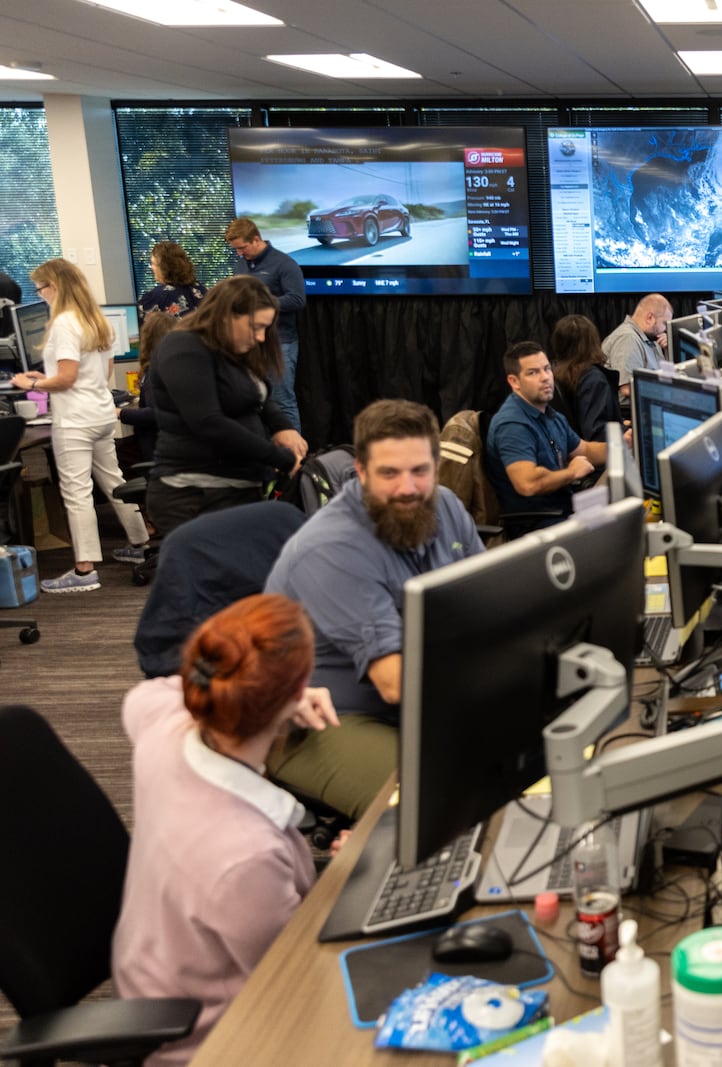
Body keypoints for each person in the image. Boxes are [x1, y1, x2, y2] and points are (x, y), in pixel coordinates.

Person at [113, 593, 343, 1066]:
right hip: (213, 1035)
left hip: (155, 972)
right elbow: (300, 982)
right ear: (299, 688)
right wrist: (350, 875)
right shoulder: (245, 856)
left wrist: (276, 701)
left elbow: (144, 695)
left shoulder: (164, 726)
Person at [265, 399, 483, 818]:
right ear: (361, 473)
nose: (407, 488)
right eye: (389, 473)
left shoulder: (447, 507)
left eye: (420, 470)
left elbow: (486, 604)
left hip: (424, 695)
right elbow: (396, 682)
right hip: (323, 718)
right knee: (436, 799)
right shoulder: (333, 548)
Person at [11, 258, 149, 592]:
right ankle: (141, 544)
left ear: (55, 286)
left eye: (41, 288)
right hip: (100, 414)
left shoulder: (64, 324)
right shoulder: (96, 320)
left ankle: (85, 570)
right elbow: (98, 372)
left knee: (76, 494)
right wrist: (51, 379)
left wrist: (31, 385)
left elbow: (69, 377)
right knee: (114, 480)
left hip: (75, 420)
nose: (40, 294)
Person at [144, 276, 308, 535]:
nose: (261, 337)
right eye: (255, 326)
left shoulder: (233, 350)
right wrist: (280, 459)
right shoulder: (183, 347)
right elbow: (208, 423)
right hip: (196, 495)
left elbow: (259, 397)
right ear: (226, 314)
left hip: (239, 490)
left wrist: (282, 426)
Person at [485, 341, 608, 533]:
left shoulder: (550, 415)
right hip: (539, 526)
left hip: (564, 511)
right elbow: (528, 483)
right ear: (514, 382)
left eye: (546, 369)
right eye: (533, 373)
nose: (545, 378)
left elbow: (584, 450)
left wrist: (624, 446)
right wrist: (571, 473)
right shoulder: (512, 425)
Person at [226, 217, 306, 432]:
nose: (240, 253)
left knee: (282, 401)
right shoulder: (240, 264)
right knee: (252, 400)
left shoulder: (284, 263)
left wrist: (260, 305)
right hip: (247, 345)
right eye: (236, 250)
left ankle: (294, 458)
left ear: (256, 239)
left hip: (280, 343)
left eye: (242, 248)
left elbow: (297, 300)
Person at [550, 313, 625, 442]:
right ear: (593, 341)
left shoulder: (556, 372)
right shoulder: (594, 380)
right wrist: (624, 430)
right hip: (601, 454)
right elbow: (597, 433)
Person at [118, 309, 178, 466]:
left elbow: (155, 414)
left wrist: (119, 412)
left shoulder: (155, 372)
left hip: (159, 455)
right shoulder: (179, 366)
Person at [601, 293, 672, 399]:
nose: (665, 329)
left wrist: (667, 350)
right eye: (664, 324)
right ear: (650, 318)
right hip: (630, 412)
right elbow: (627, 389)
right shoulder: (627, 338)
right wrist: (669, 395)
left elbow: (664, 375)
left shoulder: (650, 337)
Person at [138, 240, 207, 320]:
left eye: (153, 264)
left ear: (164, 268)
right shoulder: (203, 291)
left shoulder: (155, 297)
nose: (152, 268)